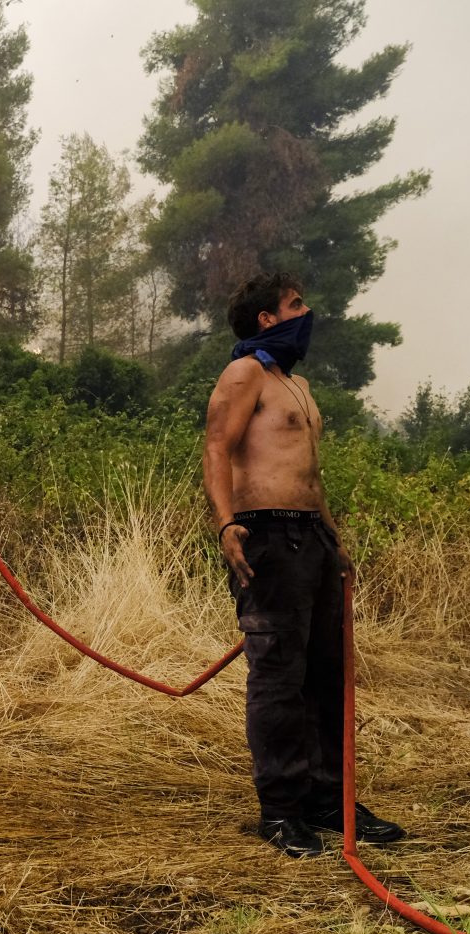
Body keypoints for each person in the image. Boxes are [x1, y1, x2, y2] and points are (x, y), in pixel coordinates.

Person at [202, 272, 405, 857]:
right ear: (267, 318)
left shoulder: (297, 384)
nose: (307, 310)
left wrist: (332, 538)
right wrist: (226, 524)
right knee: (279, 677)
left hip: (311, 538)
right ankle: (281, 810)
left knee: (325, 673)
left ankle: (328, 800)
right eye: (296, 304)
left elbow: (308, 473)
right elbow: (217, 446)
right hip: (266, 535)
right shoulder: (245, 373)